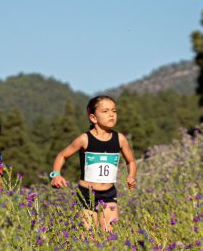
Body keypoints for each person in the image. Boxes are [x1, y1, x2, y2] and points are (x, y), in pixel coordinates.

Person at [49, 96, 137, 231]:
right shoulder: (84, 139)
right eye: (105, 111)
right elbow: (62, 155)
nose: (111, 114)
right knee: (88, 237)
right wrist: (55, 175)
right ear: (93, 118)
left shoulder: (120, 139)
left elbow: (130, 161)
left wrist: (131, 175)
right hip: (86, 193)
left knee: (110, 235)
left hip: (108, 194)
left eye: (114, 111)